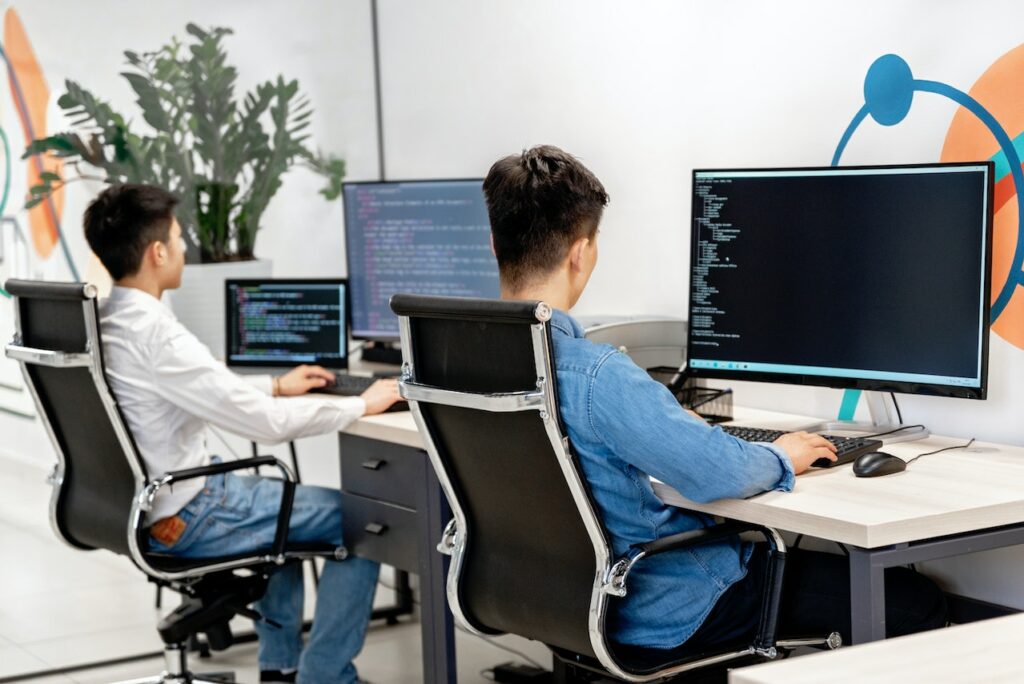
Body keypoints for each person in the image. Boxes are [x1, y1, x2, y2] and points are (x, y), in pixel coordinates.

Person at [481, 145, 947, 653]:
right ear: (582, 252)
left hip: (553, 603)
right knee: (913, 599)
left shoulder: (460, 364)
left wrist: (668, 422)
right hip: (663, 608)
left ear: (493, 245)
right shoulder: (595, 376)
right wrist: (782, 454)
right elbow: (713, 473)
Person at [83, 184, 399, 684]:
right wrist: (363, 402)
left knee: (287, 513)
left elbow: (195, 389)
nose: (186, 247)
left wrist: (275, 383)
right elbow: (264, 426)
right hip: (191, 511)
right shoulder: (158, 334)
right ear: (157, 252)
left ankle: (281, 668)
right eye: (179, 237)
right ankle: (326, 675)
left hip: (152, 507)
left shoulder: (109, 321)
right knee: (365, 520)